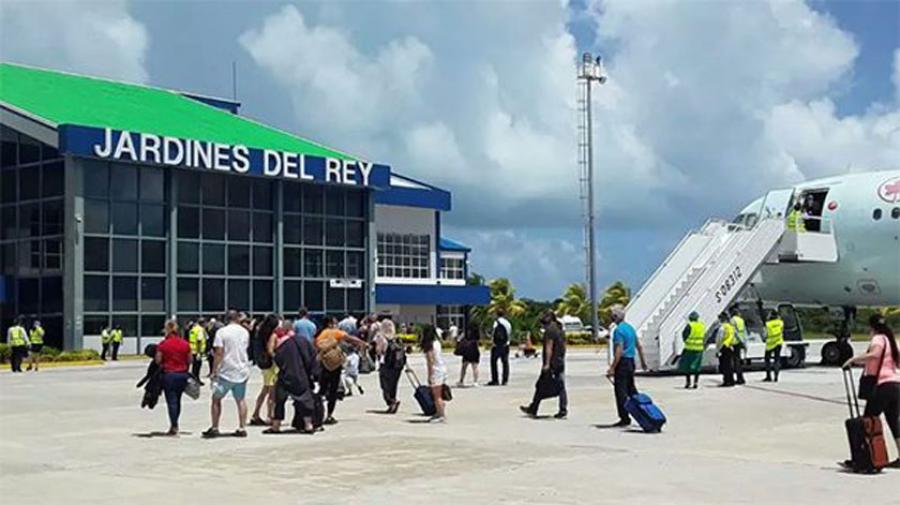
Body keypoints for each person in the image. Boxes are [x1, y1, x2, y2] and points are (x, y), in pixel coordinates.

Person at [843, 314, 900, 468]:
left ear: (872, 327)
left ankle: (864, 457)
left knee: (867, 421)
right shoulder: (890, 340)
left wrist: (853, 360)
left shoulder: (878, 339)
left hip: (882, 386)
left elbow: (874, 355)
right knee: (894, 422)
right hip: (895, 384)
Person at [204, 310, 251, 438]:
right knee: (241, 400)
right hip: (242, 369)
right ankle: (242, 427)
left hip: (226, 371)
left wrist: (214, 370)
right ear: (237, 319)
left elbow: (219, 352)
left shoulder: (222, 332)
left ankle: (215, 427)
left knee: (216, 399)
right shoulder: (244, 332)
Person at [265, 319, 317, 434]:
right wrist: (313, 374)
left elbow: (278, 359)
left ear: (285, 330)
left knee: (279, 401)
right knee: (305, 400)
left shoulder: (283, 345)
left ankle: (276, 426)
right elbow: (313, 357)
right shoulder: (304, 342)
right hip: (302, 376)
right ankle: (308, 425)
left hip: (286, 376)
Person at [315, 316, 368, 425]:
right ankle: (329, 415)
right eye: (335, 323)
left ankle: (317, 412)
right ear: (330, 324)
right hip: (335, 365)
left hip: (323, 364)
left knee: (322, 390)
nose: (336, 325)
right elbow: (350, 338)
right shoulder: (335, 332)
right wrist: (363, 343)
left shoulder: (320, 334)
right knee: (333, 391)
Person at [605, 305, 648, 426]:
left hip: (622, 362)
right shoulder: (630, 328)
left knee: (621, 392)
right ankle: (643, 413)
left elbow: (619, 350)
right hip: (631, 362)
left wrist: (612, 367)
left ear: (615, 317)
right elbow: (639, 346)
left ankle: (624, 417)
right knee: (632, 390)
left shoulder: (619, 331)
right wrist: (643, 362)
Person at [521, 311, 568, 419]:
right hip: (559, 361)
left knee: (541, 385)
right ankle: (562, 408)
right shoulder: (559, 328)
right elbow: (563, 345)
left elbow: (548, 347)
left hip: (552, 363)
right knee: (560, 385)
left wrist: (547, 363)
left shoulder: (550, 330)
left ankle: (534, 408)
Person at [155, 320, 192, 436]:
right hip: (182, 374)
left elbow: (158, 360)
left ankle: (174, 426)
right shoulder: (185, 344)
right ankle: (175, 422)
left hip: (169, 375)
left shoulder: (163, 344)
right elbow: (190, 360)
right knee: (178, 399)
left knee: (171, 401)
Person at [250, 314, 282, 427]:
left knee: (265, 390)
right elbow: (270, 350)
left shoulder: (260, 333)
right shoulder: (272, 335)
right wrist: (278, 358)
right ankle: (270, 416)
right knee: (272, 393)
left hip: (265, 365)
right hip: (272, 366)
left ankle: (256, 414)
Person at [376, 314, 404, 414]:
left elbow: (379, 351)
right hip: (397, 365)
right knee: (393, 385)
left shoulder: (381, 337)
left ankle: (391, 401)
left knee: (384, 385)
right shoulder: (396, 338)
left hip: (386, 364)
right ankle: (393, 399)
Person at [421, 325, 448, 423]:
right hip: (442, 368)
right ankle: (438, 412)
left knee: (437, 395)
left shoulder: (429, 345)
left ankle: (441, 415)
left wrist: (429, 375)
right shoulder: (437, 343)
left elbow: (430, 361)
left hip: (436, 370)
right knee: (438, 393)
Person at [679, 312, 706, 389]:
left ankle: (688, 382)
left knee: (687, 366)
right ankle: (696, 383)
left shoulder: (689, 325)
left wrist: (687, 342)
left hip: (689, 348)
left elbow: (684, 335)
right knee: (697, 367)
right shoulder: (701, 325)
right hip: (699, 349)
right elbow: (704, 335)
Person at [487, 309, 512, 386]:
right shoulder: (508, 323)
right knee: (505, 362)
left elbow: (493, 333)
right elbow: (509, 334)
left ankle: (495, 380)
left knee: (493, 362)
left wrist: (492, 342)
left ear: (496, 314)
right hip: (506, 345)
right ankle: (505, 380)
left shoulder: (496, 322)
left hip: (496, 345)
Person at [456, 321, 481, 387]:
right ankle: (475, 381)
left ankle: (461, 381)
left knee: (464, 366)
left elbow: (459, 339)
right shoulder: (477, 333)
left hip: (467, 349)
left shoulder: (467, 332)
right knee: (475, 366)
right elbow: (478, 340)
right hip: (474, 348)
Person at [716, 313, 736, 387]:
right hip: (730, 346)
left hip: (723, 347)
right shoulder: (730, 327)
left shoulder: (722, 327)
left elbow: (719, 339)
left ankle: (726, 381)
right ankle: (731, 380)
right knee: (729, 365)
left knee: (724, 366)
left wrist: (718, 349)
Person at [763, 310, 784, 382]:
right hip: (778, 342)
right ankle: (776, 376)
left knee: (767, 359)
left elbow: (765, 334)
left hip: (770, 344)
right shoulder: (780, 323)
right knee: (777, 359)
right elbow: (781, 330)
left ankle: (768, 376)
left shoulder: (768, 324)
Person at [729, 307, 747, 385]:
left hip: (735, 341)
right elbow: (744, 331)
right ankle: (741, 377)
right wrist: (744, 342)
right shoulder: (741, 320)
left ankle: (738, 378)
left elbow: (733, 331)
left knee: (734, 361)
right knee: (738, 360)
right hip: (740, 341)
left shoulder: (732, 320)